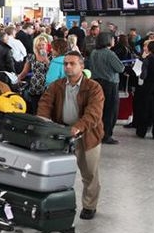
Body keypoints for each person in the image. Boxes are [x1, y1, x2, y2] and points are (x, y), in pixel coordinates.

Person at [37, 51, 104, 220]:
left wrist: (77, 128)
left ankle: (89, 205)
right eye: (65, 63)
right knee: (57, 172)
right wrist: (43, 120)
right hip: (61, 135)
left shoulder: (93, 87)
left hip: (87, 136)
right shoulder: (57, 85)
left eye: (72, 63)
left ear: (82, 66)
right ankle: (54, 204)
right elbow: (45, 103)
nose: (67, 66)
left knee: (89, 173)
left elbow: (94, 113)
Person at [88, 32, 126, 145]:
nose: (114, 41)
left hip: (96, 83)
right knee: (110, 111)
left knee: (99, 110)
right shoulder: (109, 54)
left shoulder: (94, 52)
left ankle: (97, 132)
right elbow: (120, 68)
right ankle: (106, 135)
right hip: (110, 84)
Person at [17, 35, 52, 114]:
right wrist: (18, 78)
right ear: (36, 46)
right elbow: (25, 71)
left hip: (47, 86)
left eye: (43, 45)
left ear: (46, 45)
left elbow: (52, 70)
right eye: (39, 45)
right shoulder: (31, 57)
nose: (41, 47)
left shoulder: (51, 57)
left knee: (45, 109)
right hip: (35, 86)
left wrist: (46, 59)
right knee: (35, 109)